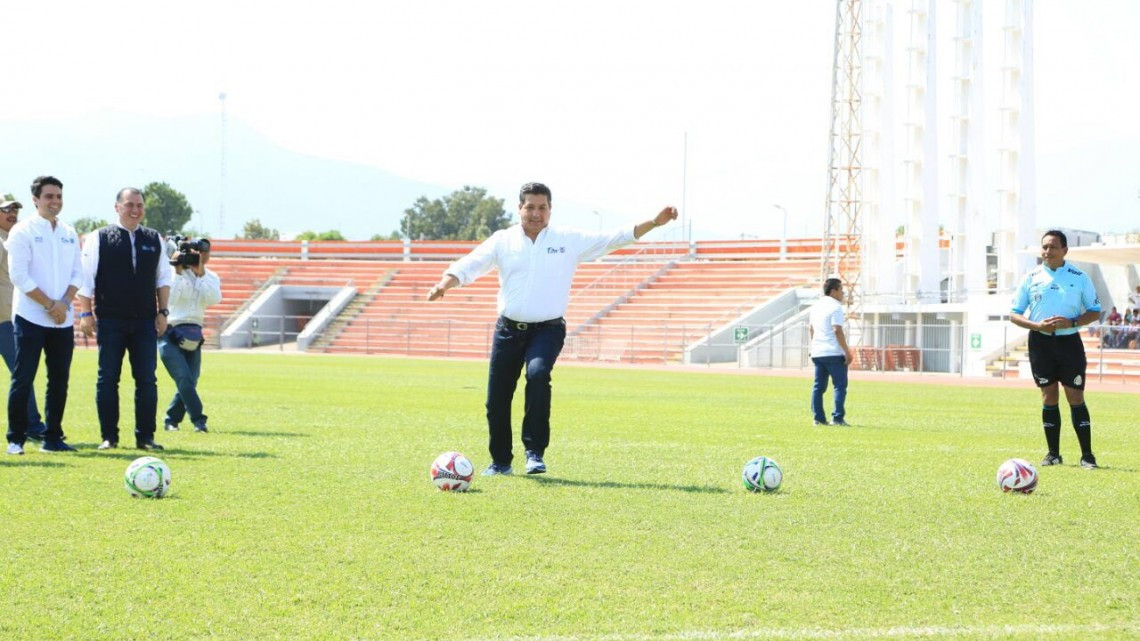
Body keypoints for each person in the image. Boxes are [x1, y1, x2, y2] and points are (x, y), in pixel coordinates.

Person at [427, 182, 677, 476]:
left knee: (538, 373)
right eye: (530, 207)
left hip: (547, 329)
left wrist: (654, 222)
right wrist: (446, 282)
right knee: (497, 399)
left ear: (550, 210)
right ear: (519, 208)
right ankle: (501, 462)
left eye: (542, 207)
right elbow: (472, 263)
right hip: (508, 330)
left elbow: (613, 238)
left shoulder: (567, 239)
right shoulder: (503, 240)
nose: (536, 213)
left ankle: (534, 453)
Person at [76, 187, 172, 451]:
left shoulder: (154, 239)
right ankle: (109, 436)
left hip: (144, 321)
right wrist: (86, 313)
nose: (135, 210)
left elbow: (163, 278)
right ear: (117, 207)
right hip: (110, 319)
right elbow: (85, 279)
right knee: (107, 378)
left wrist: (163, 312)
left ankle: (146, 437)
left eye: (140, 205)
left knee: (147, 379)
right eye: (129, 205)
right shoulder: (99, 237)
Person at [1010, 229, 1102, 469]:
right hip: (1040, 343)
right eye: (1044, 247)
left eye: (1052, 247)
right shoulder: (1030, 277)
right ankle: (1053, 454)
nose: (1047, 251)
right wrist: (1037, 325)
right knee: (1048, 396)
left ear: (1065, 250)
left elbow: (1094, 311)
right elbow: (1014, 314)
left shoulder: (1079, 276)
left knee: (1075, 396)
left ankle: (1087, 456)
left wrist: (1072, 322)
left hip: (1069, 343)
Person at [5, 177, 84, 454]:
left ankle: (53, 438)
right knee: (23, 377)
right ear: (36, 199)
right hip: (30, 317)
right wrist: (50, 305)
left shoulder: (68, 232)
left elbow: (78, 273)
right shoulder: (22, 231)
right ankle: (16, 439)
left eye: (59, 196)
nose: (55, 201)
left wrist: (64, 303)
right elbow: (19, 276)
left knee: (59, 379)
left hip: (63, 318)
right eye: (49, 196)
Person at [159, 238, 221, 433]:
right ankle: (199, 420)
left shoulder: (210, 276)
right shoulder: (170, 273)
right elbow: (171, 300)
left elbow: (213, 298)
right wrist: (178, 271)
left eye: (204, 253)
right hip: (169, 332)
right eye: (196, 252)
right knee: (184, 378)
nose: (200, 256)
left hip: (194, 333)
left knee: (190, 381)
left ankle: (171, 420)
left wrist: (200, 274)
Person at [0, 195, 48, 442]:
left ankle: (31, 425)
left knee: (22, 374)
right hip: (3, 321)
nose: (11, 213)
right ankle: (32, 426)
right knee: (22, 374)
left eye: (14, 209)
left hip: (8, 318)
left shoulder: (15, 239)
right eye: (5, 209)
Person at [808, 277, 853, 427]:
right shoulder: (836, 307)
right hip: (833, 352)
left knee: (818, 387)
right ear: (833, 291)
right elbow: (837, 329)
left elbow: (811, 329)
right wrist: (846, 351)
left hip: (818, 352)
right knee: (839, 386)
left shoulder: (815, 306)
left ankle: (818, 418)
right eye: (841, 290)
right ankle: (837, 418)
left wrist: (813, 346)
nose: (843, 294)